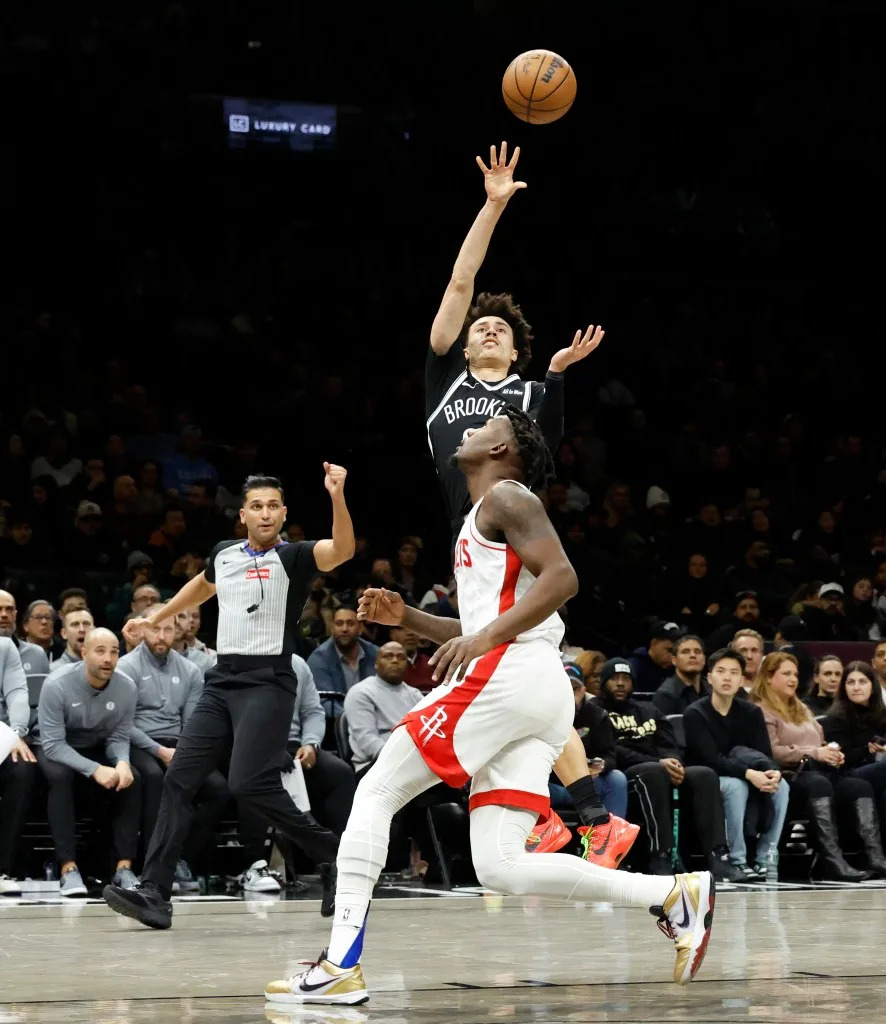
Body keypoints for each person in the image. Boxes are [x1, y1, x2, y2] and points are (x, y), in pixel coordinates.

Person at [265, 409, 715, 1006]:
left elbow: (562, 578)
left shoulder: (507, 496)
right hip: (536, 687)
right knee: (500, 864)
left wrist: (483, 641)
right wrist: (409, 619)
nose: (468, 428)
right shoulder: (486, 515)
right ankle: (669, 895)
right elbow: (484, 620)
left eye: (484, 424)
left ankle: (340, 964)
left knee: (376, 790)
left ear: (501, 444)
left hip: (508, 673)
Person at [421, 141, 619, 860]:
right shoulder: (447, 380)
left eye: (501, 327)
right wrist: (493, 204)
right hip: (465, 540)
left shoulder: (531, 399)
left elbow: (545, 463)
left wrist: (561, 376)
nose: (488, 327)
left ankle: (582, 814)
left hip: (513, 546)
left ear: (518, 349)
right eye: (481, 325)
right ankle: (558, 810)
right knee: (508, 677)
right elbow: (459, 281)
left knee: (514, 670)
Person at [102, 467, 355, 928]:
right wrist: (157, 617)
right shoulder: (224, 554)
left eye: (272, 506)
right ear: (243, 514)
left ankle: (335, 853)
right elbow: (202, 586)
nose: (264, 513)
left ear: (283, 514)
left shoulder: (295, 557)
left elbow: (342, 550)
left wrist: (337, 497)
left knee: (246, 784)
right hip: (222, 680)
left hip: (269, 680)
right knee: (180, 777)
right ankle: (156, 893)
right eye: (256, 506)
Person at [750, 651, 883, 880]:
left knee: (858, 786)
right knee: (819, 784)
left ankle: (874, 856)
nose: (793, 679)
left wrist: (833, 754)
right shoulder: (760, 710)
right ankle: (831, 859)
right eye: (786, 674)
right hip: (789, 774)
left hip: (819, 770)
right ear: (769, 678)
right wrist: (816, 752)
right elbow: (773, 751)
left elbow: (819, 741)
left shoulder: (801, 708)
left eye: (795, 674)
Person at [34, 628, 141, 896]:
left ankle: (123, 868)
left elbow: (119, 735)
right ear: (83, 653)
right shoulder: (57, 684)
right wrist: (94, 770)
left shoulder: (127, 686)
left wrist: (122, 763)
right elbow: (53, 744)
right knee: (60, 778)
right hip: (56, 747)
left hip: (96, 746)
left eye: (114, 652)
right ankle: (68, 869)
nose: (108, 659)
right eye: (100, 651)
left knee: (132, 779)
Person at [683, 649, 789, 881]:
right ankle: (736, 859)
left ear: (742, 680)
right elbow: (710, 758)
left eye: (734, 673)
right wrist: (749, 774)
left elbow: (764, 753)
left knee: (782, 786)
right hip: (708, 778)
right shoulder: (695, 713)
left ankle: (766, 857)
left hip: (747, 772)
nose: (727, 678)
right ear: (709, 677)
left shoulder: (751, 712)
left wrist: (773, 772)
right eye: (720, 672)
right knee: (735, 786)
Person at [822, 661, 886, 851]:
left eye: (862, 682)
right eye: (850, 682)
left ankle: (879, 850)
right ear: (844, 687)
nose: (856, 687)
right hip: (847, 775)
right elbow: (841, 759)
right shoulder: (836, 718)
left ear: (872, 686)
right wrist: (868, 751)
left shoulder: (882, 716)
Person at [0, 636, 36, 896]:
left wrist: (16, 733)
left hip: (0, 732)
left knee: (21, 769)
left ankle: (2, 868)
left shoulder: (4, 647)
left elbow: (17, 692)